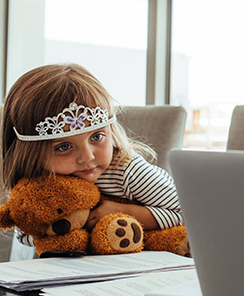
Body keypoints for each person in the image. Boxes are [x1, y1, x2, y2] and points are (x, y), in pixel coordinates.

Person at [1, 63, 184, 251]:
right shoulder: (38, 184)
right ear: (30, 154)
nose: (87, 156)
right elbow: (23, 233)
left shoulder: (129, 171)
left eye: (97, 137)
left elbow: (188, 213)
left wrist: (126, 212)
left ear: (111, 131)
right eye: (64, 147)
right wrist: (61, 234)